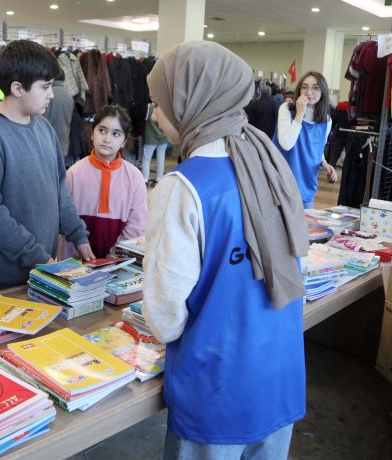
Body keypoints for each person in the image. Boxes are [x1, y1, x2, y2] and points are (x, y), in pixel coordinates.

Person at [143, 41, 309, 460]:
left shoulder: (181, 187)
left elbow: (165, 320)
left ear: (191, 102)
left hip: (216, 391)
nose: (155, 114)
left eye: (159, 103)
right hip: (279, 373)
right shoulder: (270, 164)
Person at [0, 39, 95, 291]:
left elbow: (59, 188)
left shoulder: (44, 128)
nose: (51, 95)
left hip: (42, 268)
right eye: (45, 87)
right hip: (3, 278)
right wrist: (39, 257)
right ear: (17, 88)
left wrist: (78, 235)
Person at [66, 104, 147, 258]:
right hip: (76, 264)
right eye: (102, 130)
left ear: (124, 141)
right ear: (92, 133)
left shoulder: (134, 177)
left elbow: (137, 226)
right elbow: (66, 221)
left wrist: (113, 257)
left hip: (118, 263)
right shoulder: (73, 174)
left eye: (116, 134)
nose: (107, 139)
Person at [273, 71, 338, 209]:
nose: (309, 92)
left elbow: (318, 148)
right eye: (304, 87)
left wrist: (325, 164)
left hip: (307, 184)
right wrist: (300, 113)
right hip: (282, 184)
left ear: (323, 92)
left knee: (303, 229)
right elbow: (286, 144)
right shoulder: (286, 109)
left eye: (315, 88)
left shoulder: (326, 120)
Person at [43, 70, 74, 165]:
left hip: (48, 142)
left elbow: (43, 118)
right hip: (64, 142)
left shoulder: (49, 94)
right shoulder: (69, 96)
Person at [142, 103, 169, 185]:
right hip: (163, 138)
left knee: (146, 159)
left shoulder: (149, 107)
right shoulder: (166, 109)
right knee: (161, 159)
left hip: (150, 138)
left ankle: (145, 179)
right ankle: (159, 179)